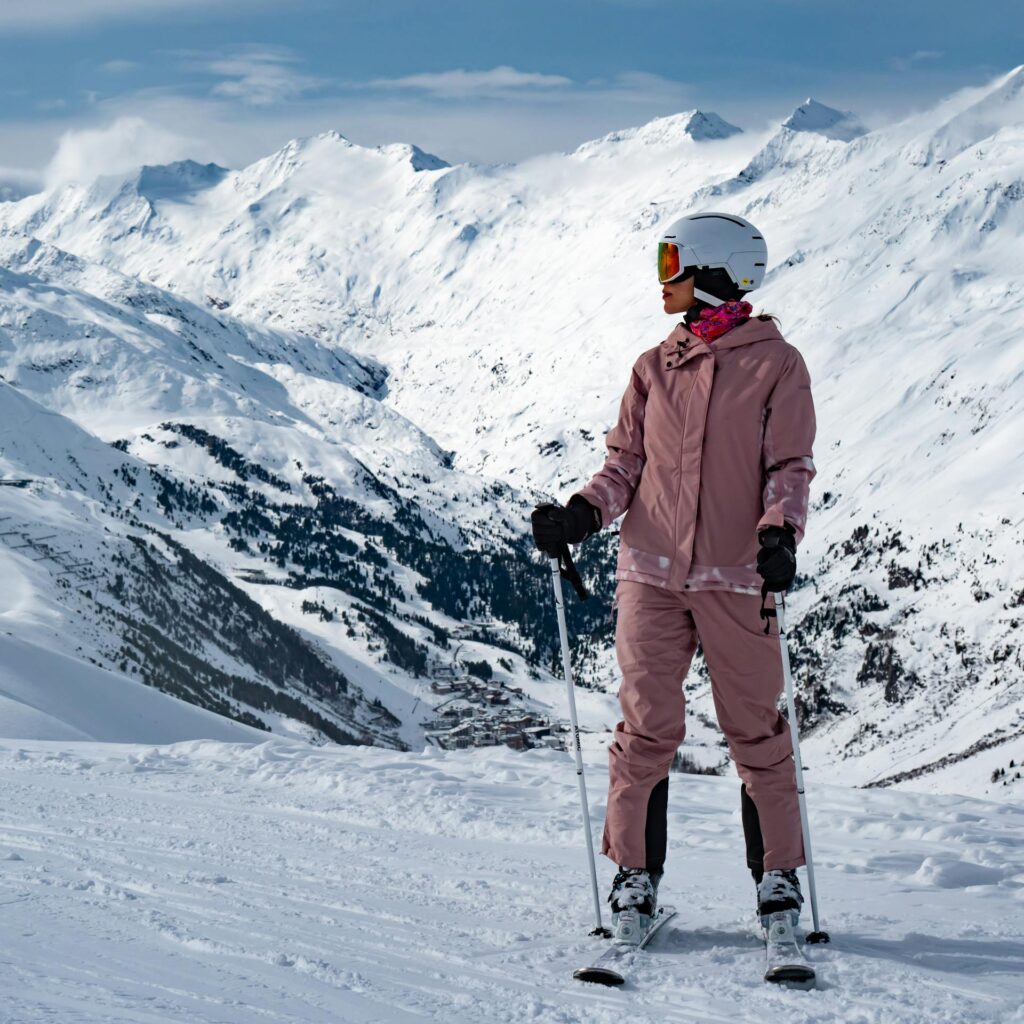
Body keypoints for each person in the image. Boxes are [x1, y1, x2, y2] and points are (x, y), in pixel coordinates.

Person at [531, 211, 816, 944]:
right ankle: (634, 880)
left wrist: (780, 532)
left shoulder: (776, 365)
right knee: (645, 731)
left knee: (755, 732)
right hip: (649, 576)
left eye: (672, 262)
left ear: (714, 271)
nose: (662, 278)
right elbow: (624, 468)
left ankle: (777, 882)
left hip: (736, 578)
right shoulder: (653, 366)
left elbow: (789, 466)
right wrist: (582, 516)